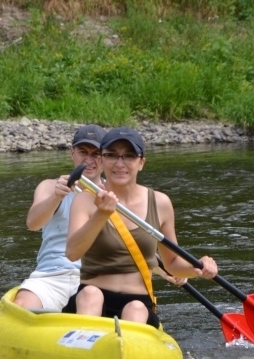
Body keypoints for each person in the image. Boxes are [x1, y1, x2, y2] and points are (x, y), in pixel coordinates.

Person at [64, 127, 217, 326]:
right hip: (90, 300)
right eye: (112, 155)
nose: (120, 163)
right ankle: (83, 347)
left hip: (138, 303)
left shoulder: (160, 203)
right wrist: (101, 214)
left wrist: (197, 267)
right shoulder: (85, 200)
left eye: (129, 156)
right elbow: (72, 253)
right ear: (102, 160)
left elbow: (172, 265)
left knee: (135, 309)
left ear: (141, 162)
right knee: (91, 295)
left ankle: (128, 351)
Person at [13, 124, 106, 310]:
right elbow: (32, 224)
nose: (89, 160)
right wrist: (57, 196)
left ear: (106, 157)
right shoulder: (49, 186)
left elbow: (132, 240)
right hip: (52, 275)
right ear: (72, 153)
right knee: (23, 304)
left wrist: (166, 271)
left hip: (96, 277)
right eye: (83, 152)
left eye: (96, 153)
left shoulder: (113, 194)